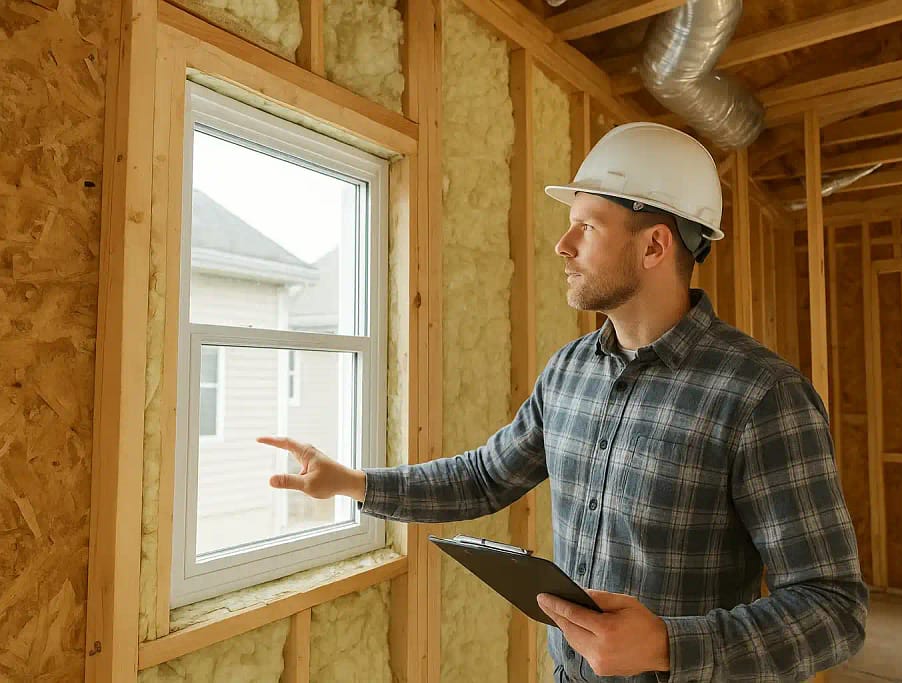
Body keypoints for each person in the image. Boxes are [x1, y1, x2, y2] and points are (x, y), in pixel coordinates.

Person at [258, 122, 867, 682]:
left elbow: (833, 609)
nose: (562, 245)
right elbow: (485, 478)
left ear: (655, 246)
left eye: (588, 227)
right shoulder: (569, 370)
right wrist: (354, 483)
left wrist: (667, 645)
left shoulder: (762, 396)